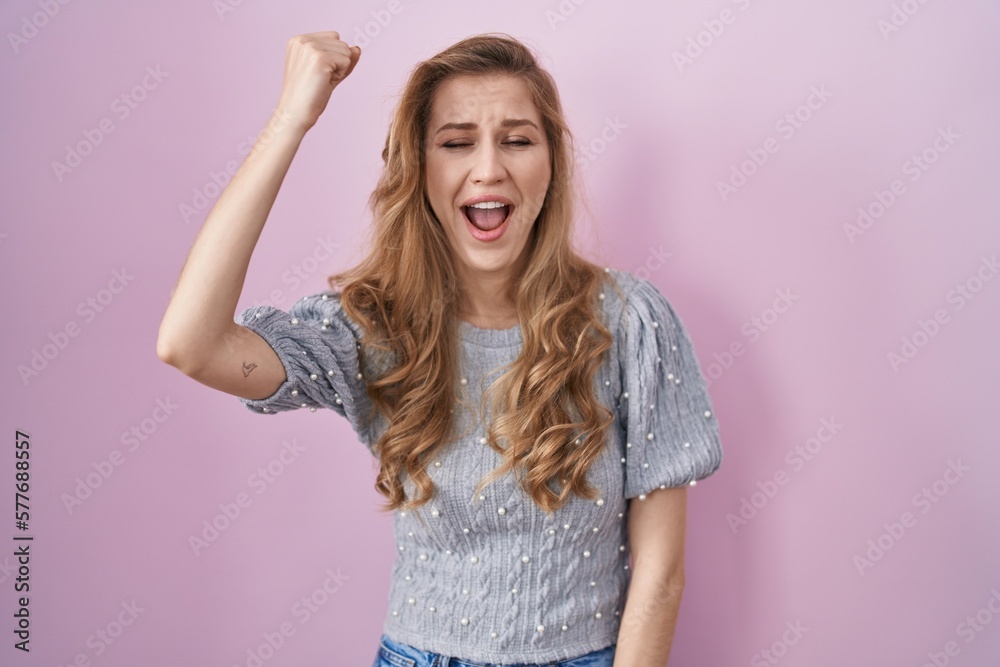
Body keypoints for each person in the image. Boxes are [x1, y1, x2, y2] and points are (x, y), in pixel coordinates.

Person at [157, 30, 723, 667]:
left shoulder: (630, 322)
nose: (488, 167)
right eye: (456, 143)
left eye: (517, 140)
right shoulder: (372, 329)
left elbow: (660, 574)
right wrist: (291, 120)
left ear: (552, 165)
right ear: (420, 169)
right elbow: (191, 342)